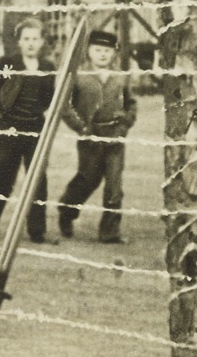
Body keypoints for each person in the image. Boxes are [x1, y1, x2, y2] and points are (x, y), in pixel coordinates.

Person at [0, 17, 57, 243]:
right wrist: (0, 125)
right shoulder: (6, 64)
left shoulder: (47, 68)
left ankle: (37, 230)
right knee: (4, 175)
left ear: (42, 42)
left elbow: (51, 99)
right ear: (19, 42)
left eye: (35, 39)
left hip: (35, 129)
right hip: (10, 130)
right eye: (26, 39)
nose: (31, 43)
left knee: (38, 179)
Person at [57, 29, 137, 244]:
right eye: (98, 50)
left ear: (113, 54)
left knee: (114, 185)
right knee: (87, 180)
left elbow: (131, 105)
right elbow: (64, 107)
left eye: (107, 51)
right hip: (89, 137)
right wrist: (82, 128)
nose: (102, 54)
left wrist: (124, 124)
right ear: (89, 52)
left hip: (115, 136)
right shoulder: (79, 77)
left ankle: (109, 232)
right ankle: (67, 210)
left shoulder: (121, 78)